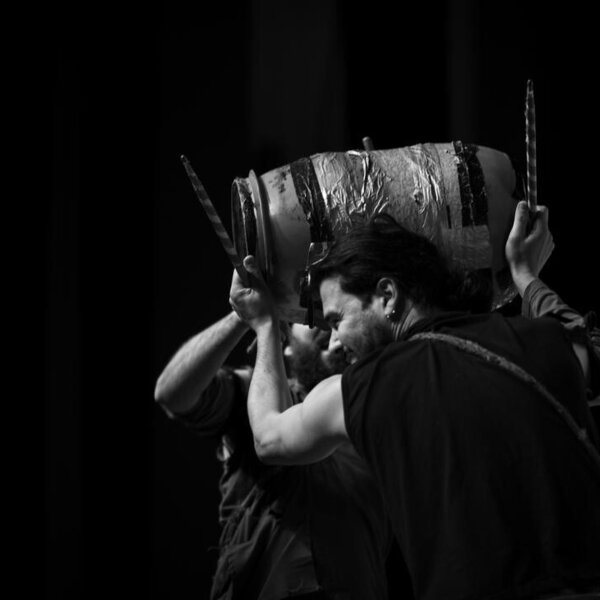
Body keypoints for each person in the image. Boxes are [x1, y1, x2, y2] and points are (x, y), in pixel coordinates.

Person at [230, 200, 600, 600]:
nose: (335, 341)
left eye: (337, 320)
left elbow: (268, 437)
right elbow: (581, 338)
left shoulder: (368, 385)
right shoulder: (545, 340)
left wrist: (265, 325)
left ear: (387, 295)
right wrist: (526, 276)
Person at [154, 299, 395, 598]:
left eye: (335, 323)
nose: (331, 332)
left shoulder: (375, 421)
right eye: (315, 320)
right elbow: (172, 394)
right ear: (287, 345)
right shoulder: (261, 401)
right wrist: (242, 314)